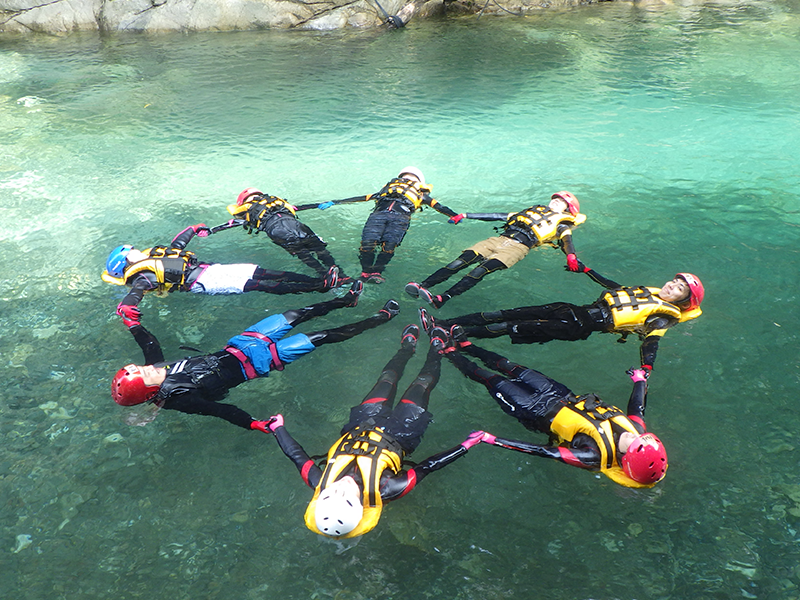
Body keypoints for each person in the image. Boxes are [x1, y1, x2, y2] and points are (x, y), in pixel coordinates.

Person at [259, 324, 487, 539]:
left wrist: (278, 428)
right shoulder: (388, 489)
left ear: (320, 497)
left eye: (331, 493)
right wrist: (466, 446)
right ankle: (437, 349)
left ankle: (407, 347)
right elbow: (428, 466)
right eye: (347, 498)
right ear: (359, 506)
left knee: (387, 378)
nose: (341, 486)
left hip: (362, 424)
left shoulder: (319, 480)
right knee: (422, 383)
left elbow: (296, 455)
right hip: (402, 433)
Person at [110, 282, 400, 431]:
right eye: (142, 372)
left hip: (242, 342)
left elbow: (149, 344)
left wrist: (133, 323)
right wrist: (253, 423)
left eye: (137, 367)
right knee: (322, 336)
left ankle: (346, 300)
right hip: (262, 361)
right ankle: (379, 318)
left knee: (297, 314)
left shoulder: (155, 368)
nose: (144, 367)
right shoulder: (180, 398)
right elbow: (222, 411)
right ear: (148, 388)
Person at [431, 319, 667, 488]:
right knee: (508, 365)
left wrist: (493, 439)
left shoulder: (593, 457)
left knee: (489, 378)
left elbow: (543, 451)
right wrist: (639, 380)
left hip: (534, 411)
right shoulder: (636, 430)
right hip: (560, 394)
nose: (631, 435)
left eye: (631, 442)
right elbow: (637, 408)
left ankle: (449, 352)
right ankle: (468, 346)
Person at [440, 268, 704, 372]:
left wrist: (646, 368)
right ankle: (445, 321)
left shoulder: (661, 317)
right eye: (675, 281)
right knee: (508, 313)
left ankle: (454, 335)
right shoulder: (648, 293)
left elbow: (652, 342)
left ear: (683, 301)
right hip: (572, 310)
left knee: (511, 326)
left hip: (580, 326)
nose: (672, 285)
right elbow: (613, 287)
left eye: (680, 288)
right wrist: (587, 269)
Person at [102, 224, 341, 331]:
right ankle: (320, 287)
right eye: (129, 250)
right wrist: (128, 306)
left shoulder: (152, 256)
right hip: (204, 282)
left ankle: (320, 283)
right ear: (126, 261)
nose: (133, 248)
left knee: (263, 271)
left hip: (212, 269)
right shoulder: (142, 275)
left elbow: (177, 245)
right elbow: (138, 291)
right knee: (259, 284)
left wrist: (193, 229)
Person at [405, 191, 586, 308]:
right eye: (555, 198)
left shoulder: (562, 223)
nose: (556, 201)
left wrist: (570, 256)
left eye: (561, 201)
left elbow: (567, 241)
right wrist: (465, 215)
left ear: (568, 210)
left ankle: (442, 298)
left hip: (517, 248)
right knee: (461, 260)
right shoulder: (530, 211)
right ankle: (423, 285)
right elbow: (496, 216)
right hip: (498, 239)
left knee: (479, 271)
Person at [297, 167, 462, 284]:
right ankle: (365, 271)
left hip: (400, 218)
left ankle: (377, 272)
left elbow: (439, 206)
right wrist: (336, 202)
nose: (407, 179)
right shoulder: (384, 192)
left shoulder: (421, 194)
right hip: (378, 215)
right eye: (405, 176)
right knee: (367, 245)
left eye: (410, 177)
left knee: (389, 246)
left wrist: (454, 215)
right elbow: (362, 197)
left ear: (418, 182)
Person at [222, 188, 345, 277]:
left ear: (243, 201)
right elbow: (299, 207)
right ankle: (341, 274)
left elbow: (233, 223)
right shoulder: (275, 201)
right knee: (319, 249)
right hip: (296, 225)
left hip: (277, 231)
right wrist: (320, 204)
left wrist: (210, 231)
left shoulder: (246, 209)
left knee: (303, 254)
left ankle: (324, 275)